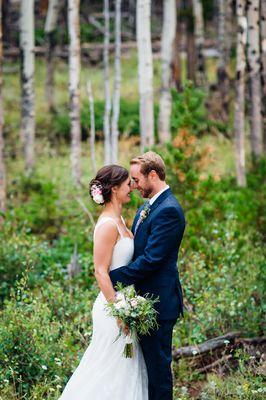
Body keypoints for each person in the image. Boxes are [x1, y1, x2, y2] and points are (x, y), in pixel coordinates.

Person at [59, 164, 148, 400]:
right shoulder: (108, 225)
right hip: (113, 308)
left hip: (126, 302)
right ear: (115, 188)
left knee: (125, 369)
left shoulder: (120, 221)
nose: (132, 187)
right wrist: (118, 310)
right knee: (106, 369)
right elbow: (100, 271)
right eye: (128, 184)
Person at [109, 151, 186, 400]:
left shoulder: (169, 211)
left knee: (158, 371)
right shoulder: (147, 207)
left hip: (159, 304)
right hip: (140, 302)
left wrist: (113, 277)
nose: (133, 185)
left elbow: (152, 260)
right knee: (143, 370)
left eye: (136, 179)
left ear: (153, 175)